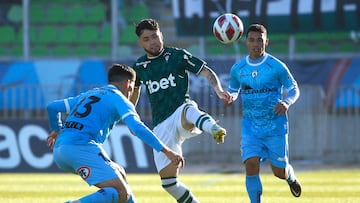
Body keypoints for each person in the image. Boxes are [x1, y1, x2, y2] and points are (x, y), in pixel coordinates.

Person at [45, 64, 185, 203]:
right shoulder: (118, 98)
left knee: (119, 171)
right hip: (81, 147)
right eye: (131, 89)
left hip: (60, 151)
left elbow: (52, 107)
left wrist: (56, 129)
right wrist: (167, 151)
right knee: (120, 193)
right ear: (128, 83)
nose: (130, 94)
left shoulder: (89, 94)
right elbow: (137, 128)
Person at [130, 18, 229, 203]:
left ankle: (214, 127)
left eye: (155, 36)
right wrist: (131, 117)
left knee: (188, 108)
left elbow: (206, 71)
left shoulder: (177, 56)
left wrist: (219, 90)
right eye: (147, 39)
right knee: (169, 183)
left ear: (161, 35)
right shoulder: (139, 67)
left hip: (180, 114)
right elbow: (134, 93)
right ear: (140, 42)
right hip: (160, 126)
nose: (153, 42)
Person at [224, 23, 302, 203]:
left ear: (266, 41)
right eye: (251, 40)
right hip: (251, 128)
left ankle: (290, 176)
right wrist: (231, 97)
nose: (255, 44)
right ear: (246, 42)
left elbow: (294, 89)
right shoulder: (238, 68)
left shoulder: (277, 66)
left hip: (275, 127)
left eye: (259, 40)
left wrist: (287, 102)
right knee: (250, 165)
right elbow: (234, 90)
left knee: (279, 172)